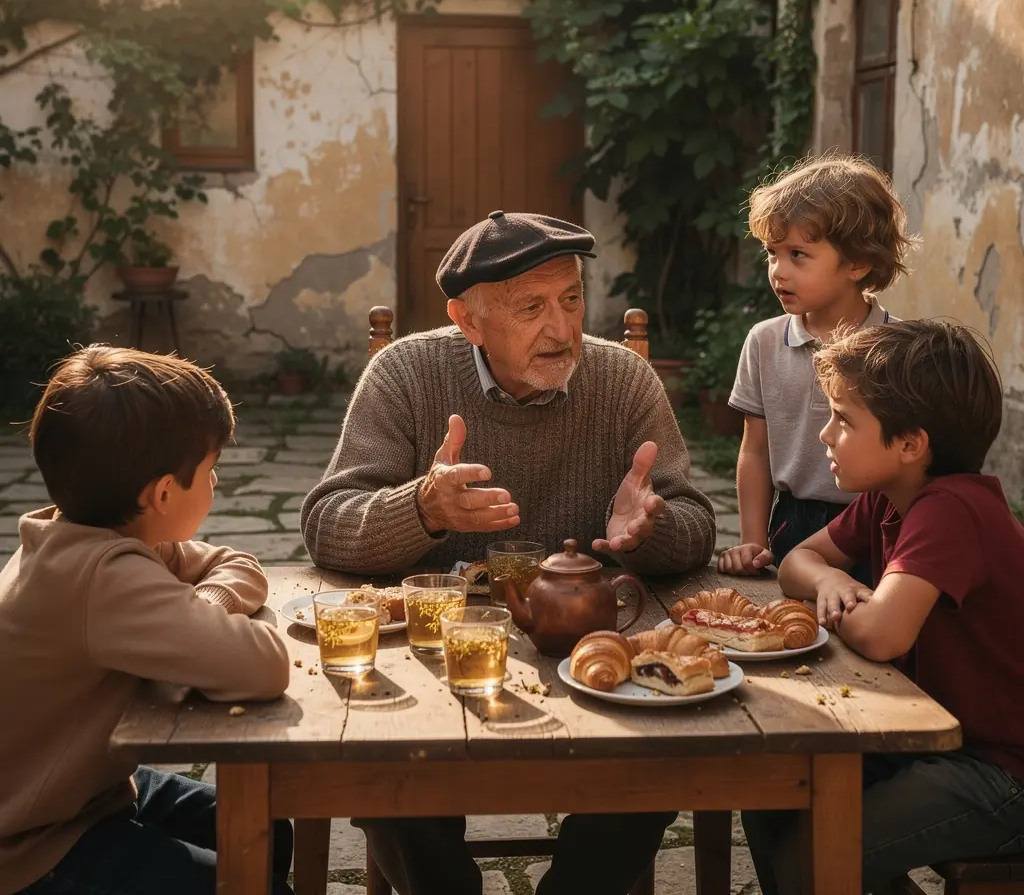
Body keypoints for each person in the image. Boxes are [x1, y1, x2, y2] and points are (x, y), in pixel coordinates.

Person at [302, 209, 717, 895]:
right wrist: (422, 507)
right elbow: (324, 524)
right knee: (377, 766)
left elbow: (698, 525)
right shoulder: (406, 375)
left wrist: (649, 529)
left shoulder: (622, 382)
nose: (562, 329)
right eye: (532, 307)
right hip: (438, 662)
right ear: (468, 321)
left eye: (572, 299)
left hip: (590, 652)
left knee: (664, 757)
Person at [742, 319, 1024, 893]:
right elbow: (796, 560)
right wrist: (828, 581)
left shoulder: (951, 509)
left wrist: (836, 599)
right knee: (771, 781)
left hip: (999, 769)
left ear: (910, 444)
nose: (825, 435)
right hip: (937, 739)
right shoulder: (887, 498)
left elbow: (881, 636)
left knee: (813, 861)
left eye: (843, 420)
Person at [0, 346, 293, 895]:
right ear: (162, 493)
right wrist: (197, 633)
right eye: (211, 471)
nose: (215, 483)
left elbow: (237, 564)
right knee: (254, 878)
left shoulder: (94, 536)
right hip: (33, 841)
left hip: (93, 791)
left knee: (270, 825)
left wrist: (197, 615)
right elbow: (265, 663)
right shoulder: (104, 578)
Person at [718, 154, 915, 578]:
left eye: (798, 255)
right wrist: (752, 540)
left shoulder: (897, 350)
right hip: (792, 522)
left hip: (876, 523)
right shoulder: (764, 342)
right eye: (772, 253)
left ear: (858, 263)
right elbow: (755, 451)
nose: (777, 272)